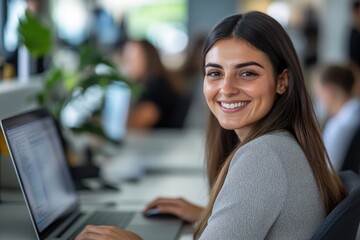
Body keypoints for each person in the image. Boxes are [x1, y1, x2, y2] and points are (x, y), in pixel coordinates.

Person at [75, 11, 346, 240]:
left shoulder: (264, 156)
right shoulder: (282, 144)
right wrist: (213, 215)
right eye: (215, 73)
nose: (226, 89)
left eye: (247, 73)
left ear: (282, 81)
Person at [120, 39, 190, 129]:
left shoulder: (157, 85)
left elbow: (142, 121)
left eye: (131, 59)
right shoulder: (155, 81)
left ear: (147, 58)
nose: (127, 65)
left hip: (165, 139)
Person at [316, 65, 360, 171]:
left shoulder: (338, 126)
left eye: (318, 93)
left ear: (329, 90)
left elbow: (329, 172)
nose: (318, 99)